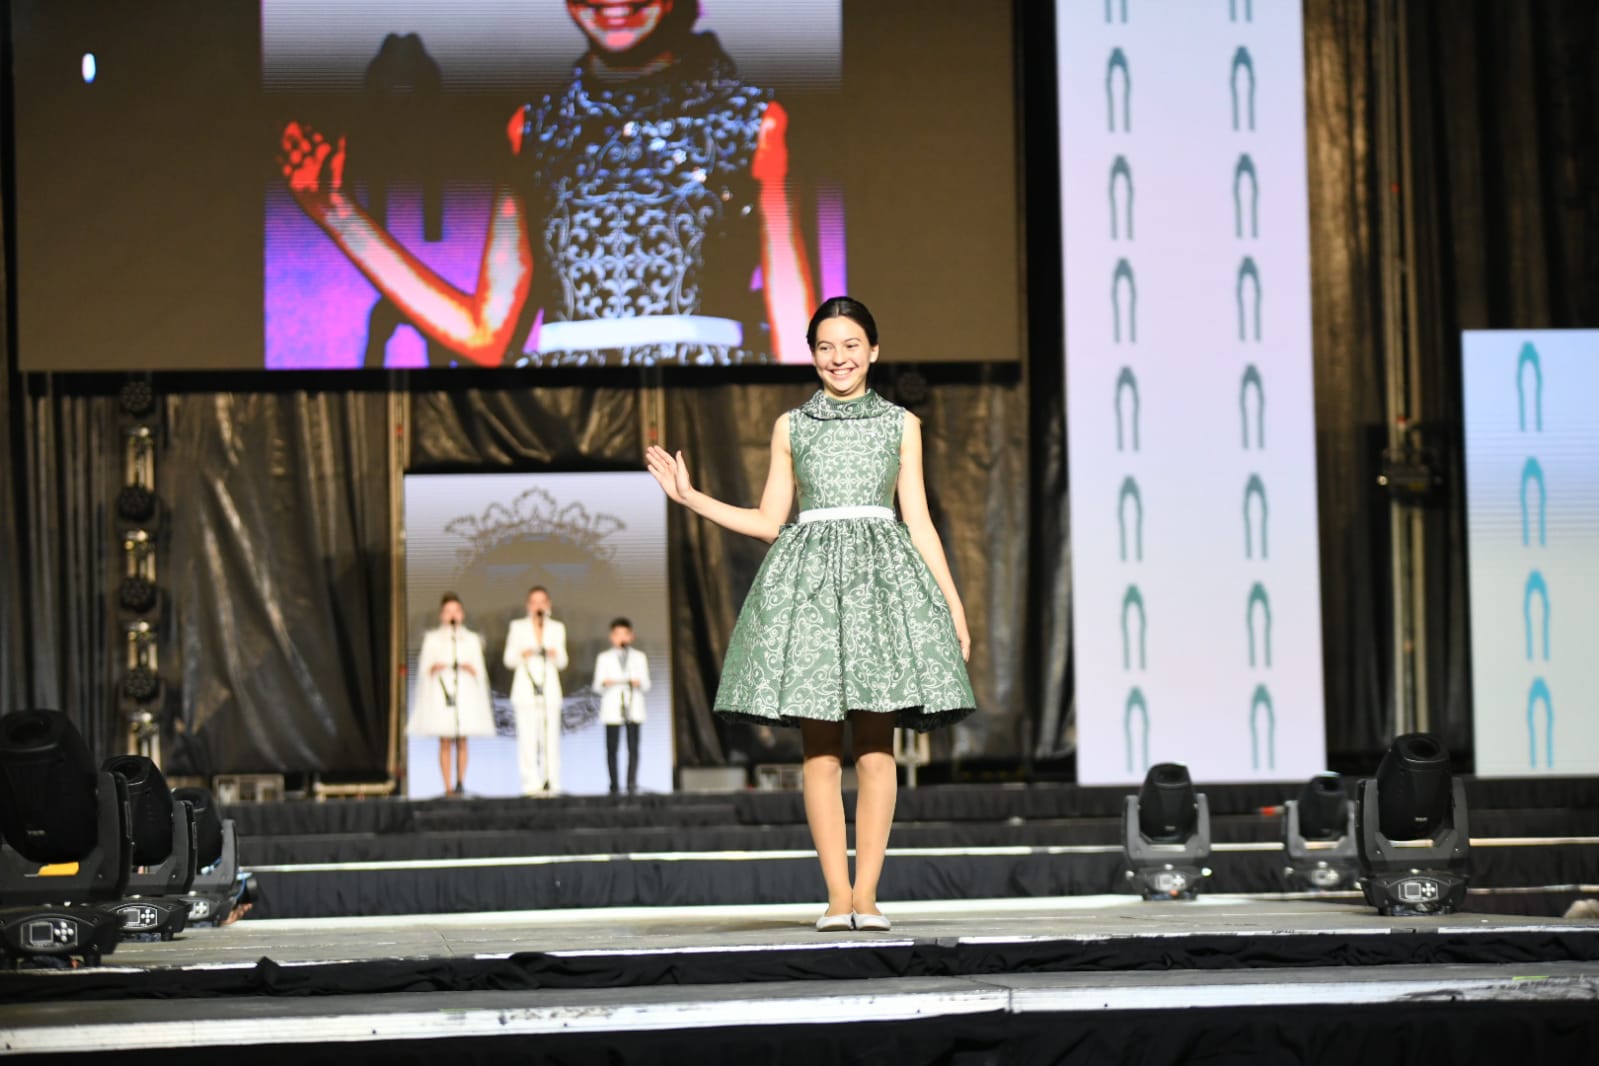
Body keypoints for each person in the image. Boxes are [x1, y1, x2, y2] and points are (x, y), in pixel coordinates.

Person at [646, 296, 975, 933]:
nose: (839, 357)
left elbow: (921, 522)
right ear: (813, 354)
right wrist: (691, 498)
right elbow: (771, 522)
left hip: (881, 590)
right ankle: (836, 897)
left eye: (851, 345)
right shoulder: (791, 425)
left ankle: (869, 896)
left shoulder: (901, 424)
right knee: (820, 752)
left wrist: (953, 607)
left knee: (878, 749)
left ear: (873, 351)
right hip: (814, 594)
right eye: (826, 346)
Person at [278, 0, 814, 368]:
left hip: (706, 413)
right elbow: (486, 335)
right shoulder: (534, 128)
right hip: (571, 421)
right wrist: (335, 212)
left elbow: (795, 336)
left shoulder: (754, 121)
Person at [407, 593, 496, 796]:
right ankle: (447, 786)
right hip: (441, 692)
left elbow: (480, 672)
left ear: (462, 614)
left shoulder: (471, 640)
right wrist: (436, 667)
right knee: (445, 740)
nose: (452, 615)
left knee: (462, 739)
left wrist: (468, 668)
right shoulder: (432, 639)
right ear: (441, 615)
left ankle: (461, 782)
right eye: (448, 611)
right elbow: (424, 670)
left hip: (464, 692)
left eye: (456, 611)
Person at [503, 586, 569, 794]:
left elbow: (563, 661)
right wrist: (525, 653)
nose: (538, 606)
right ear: (528, 605)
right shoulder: (518, 627)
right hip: (525, 690)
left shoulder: (557, 628)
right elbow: (509, 660)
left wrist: (552, 653)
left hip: (549, 690)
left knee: (550, 739)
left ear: (548, 605)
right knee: (527, 740)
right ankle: (530, 783)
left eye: (542, 602)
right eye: (534, 602)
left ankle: (552, 781)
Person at [592, 617, 652, 795]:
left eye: (625, 634)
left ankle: (631, 783)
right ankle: (614, 784)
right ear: (611, 637)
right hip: (612, 708)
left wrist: (637, 683)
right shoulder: (604, 657)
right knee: (612, 748)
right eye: (617, 634)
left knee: (633, 747)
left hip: (633, 707)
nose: (621, 638)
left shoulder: (639, 657)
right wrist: (606, 683)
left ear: (631, 636)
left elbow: (647, 684)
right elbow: (596, 686)